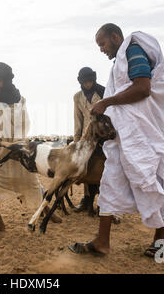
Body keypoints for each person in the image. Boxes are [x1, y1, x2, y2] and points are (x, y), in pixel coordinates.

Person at [69, 23, 164, 257]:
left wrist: (106, 103)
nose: (101, 49)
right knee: (109, 182)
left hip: (143, 137)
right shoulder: (120, 61)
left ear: (115, 36)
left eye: (103, 43)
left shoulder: (133, 51)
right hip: (124, 137)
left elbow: (143, 89)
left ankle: (160, 245)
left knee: (149, 183)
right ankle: (102, 241)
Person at [0, 62, 61, 235]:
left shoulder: (19, 99)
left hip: (16, 148)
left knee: (30, 181)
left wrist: (16, 145)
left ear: (7, 80)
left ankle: (46, 211)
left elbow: (25, 123)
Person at [73, 67, 105, 215]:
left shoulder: (104, 93)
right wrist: (76, 142)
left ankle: (104, 203)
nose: (88, 84)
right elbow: (78, 120)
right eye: (85, 82)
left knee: (105, 171)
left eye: (90, 81)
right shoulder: (77, 97)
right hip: (87, 140)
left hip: (104, 138)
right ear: (81, 81)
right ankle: (87, 200)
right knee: (86, 169)